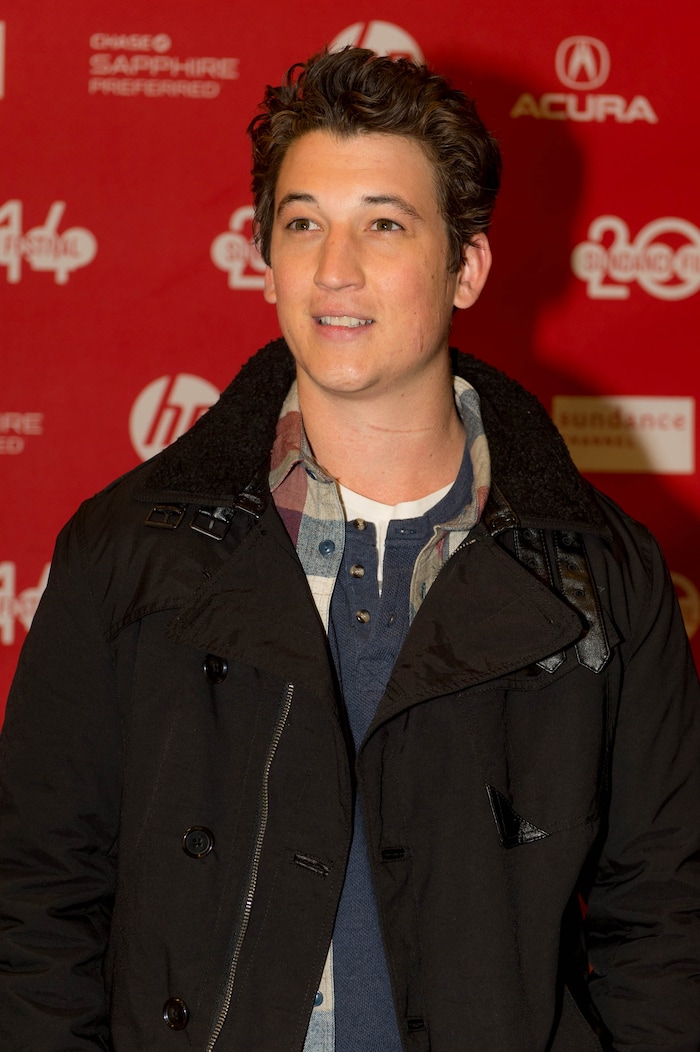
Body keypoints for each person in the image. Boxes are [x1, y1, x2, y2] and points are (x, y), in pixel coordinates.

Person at [1, 46, 699, 1052]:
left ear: (467, 266)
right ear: (267, 255)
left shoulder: (601, 575)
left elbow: (664, 922)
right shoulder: (129, 550)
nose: (335, 268)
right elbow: (37, 895)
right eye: (302, 224)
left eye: (383, 223)